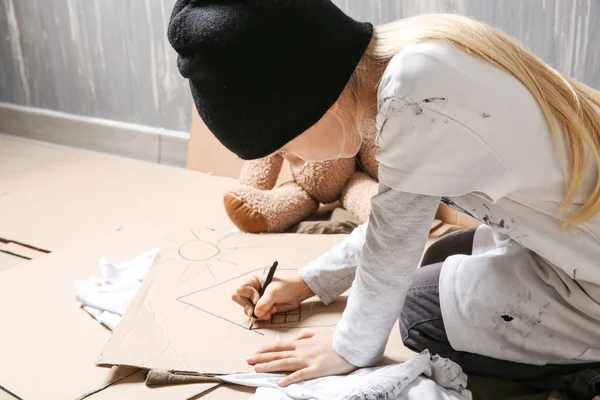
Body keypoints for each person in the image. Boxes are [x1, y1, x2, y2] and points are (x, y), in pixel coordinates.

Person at [168, 0, 600, 395]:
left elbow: (392, 245)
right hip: (568, 242)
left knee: (416, 312)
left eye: (282, 144)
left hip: (589, 277)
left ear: (312, 101)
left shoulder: (416, 102)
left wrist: (349, 349)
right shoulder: (415, 59)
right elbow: (394, 221)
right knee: (441, 254)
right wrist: (309, 282)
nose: (288, 158)